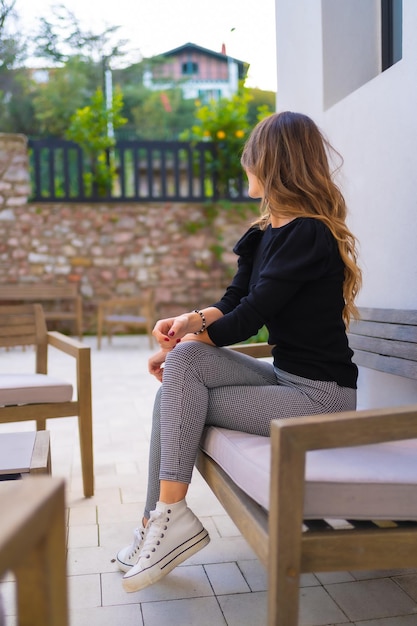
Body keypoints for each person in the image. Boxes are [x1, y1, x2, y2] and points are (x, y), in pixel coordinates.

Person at [116, 111, 362, 593]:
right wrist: (189, 321)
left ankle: (166, 521)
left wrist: (185, 343)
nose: (244, 167)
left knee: (179, 386)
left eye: (250, 159)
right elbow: (232, 303)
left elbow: (247, 321)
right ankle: (159, 523)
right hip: (284, 381)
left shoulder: (308, 233)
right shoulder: (266, 231)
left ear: (272, 165)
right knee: (182, 371)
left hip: (321, 397)